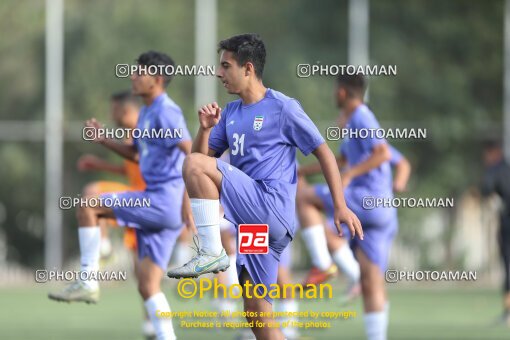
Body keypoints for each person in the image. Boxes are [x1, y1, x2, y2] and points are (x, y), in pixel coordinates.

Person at [167, 33, 363, 340]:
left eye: (225, 66)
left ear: (247, 68)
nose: (219, 73)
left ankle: (210, 250)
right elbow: (201, 159)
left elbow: (324, 152)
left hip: (269, 207)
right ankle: (213, 251)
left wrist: (340, 205)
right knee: (259, 318)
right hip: (254, 225)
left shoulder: (283, 108)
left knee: (191, 164)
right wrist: (204, 130)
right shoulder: (229, 113)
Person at [49, 51, 193, 340]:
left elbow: (192, 154)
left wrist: (191, 204)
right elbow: (137, 155)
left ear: (158, 79)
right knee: (148, 286)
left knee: (89, 205)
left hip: (162, 201)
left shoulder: (167, 111)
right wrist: (103, 139)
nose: (133, 76)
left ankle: (87, 279)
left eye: (140, 72)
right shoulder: (148, 112)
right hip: (160, 207)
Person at [298, 74, 395, 339]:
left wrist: (352, 175)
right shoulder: (353, 123)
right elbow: (340, 161)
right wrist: (301, 170)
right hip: (382, 209)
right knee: (371, 282)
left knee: (303, 198)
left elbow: (383, 152)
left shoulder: (362, 116)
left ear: (341, 93)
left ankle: (322, 264)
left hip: (366, 198)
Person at [481, 139, 510, 326]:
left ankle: (508, 312)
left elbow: (486, 189)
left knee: (509, 266)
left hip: (508, 224)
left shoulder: (496, 169)